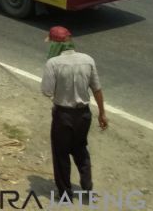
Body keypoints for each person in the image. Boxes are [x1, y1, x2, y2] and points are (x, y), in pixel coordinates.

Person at [40, 26, 107, 202]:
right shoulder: (88, 59)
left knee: (61, 153)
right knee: (80, 149)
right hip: (84, 115)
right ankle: (87, 187)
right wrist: (102, 114)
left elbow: (47, 91)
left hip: (63, 115)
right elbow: (97, 89)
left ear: (55, 44)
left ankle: (65, 193)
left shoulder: (53, 63)